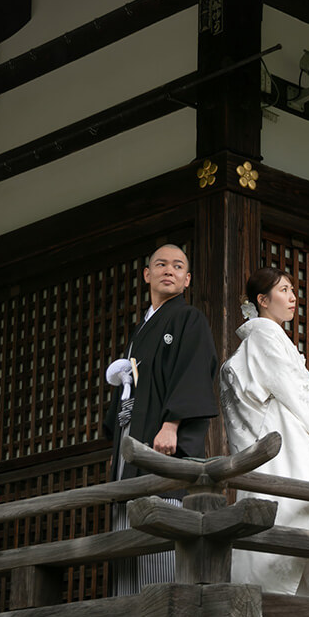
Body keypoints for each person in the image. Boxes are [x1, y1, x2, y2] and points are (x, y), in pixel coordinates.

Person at [219, 266, 309, 598]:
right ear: (263, 300)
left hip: (276, 441)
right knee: (282, 516)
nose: (292, 297)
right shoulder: (265, 335)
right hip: (281, 445)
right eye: (283, 290)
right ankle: (295, 590)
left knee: (280, 518)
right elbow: (291, 387)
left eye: (293, 290)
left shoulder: (266, 337)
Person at [106, 243, 219, 595]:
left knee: (158, 539)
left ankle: (166, 611)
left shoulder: (189, 319)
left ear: (187, 279)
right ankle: (126, 616)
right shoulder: (140, 331)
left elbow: (193, 372)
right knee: (125, 546)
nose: (169, 270)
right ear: (147, 275)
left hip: (163, 444)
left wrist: (172, 424)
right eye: (161, 264)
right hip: (131, 445)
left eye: (177, 266)